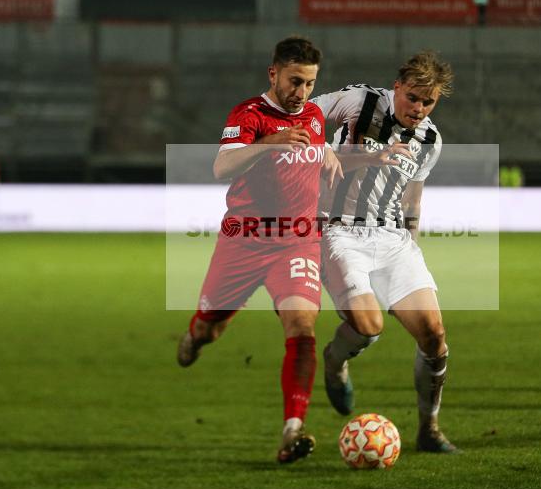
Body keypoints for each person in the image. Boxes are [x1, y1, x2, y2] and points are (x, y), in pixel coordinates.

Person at [176, 36, 343, 464]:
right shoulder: (248, 114)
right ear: (273, 74)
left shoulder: (313, 116)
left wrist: (328, 154)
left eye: (309, 83)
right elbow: (222, 167)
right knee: (210, 327)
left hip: (297, 241)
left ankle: (293, 429)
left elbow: (312, 146)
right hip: (245, 241)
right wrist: (270, 142)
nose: (301, 92)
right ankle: (196, 334)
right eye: (294, 81)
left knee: (302, 326)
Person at [310, 51, 459, 453]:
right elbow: (303, 113)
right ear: (397, 87)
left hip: (392, 239)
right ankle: (334, 361)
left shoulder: (430, 140)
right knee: (368, 326)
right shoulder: (360, 101)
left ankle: (429, 429)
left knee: (434, 335)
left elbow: (412, 200)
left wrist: (412, 250)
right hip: (338, 230)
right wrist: (324, 148)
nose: (419, 108)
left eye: (428, 102)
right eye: (413, 97)